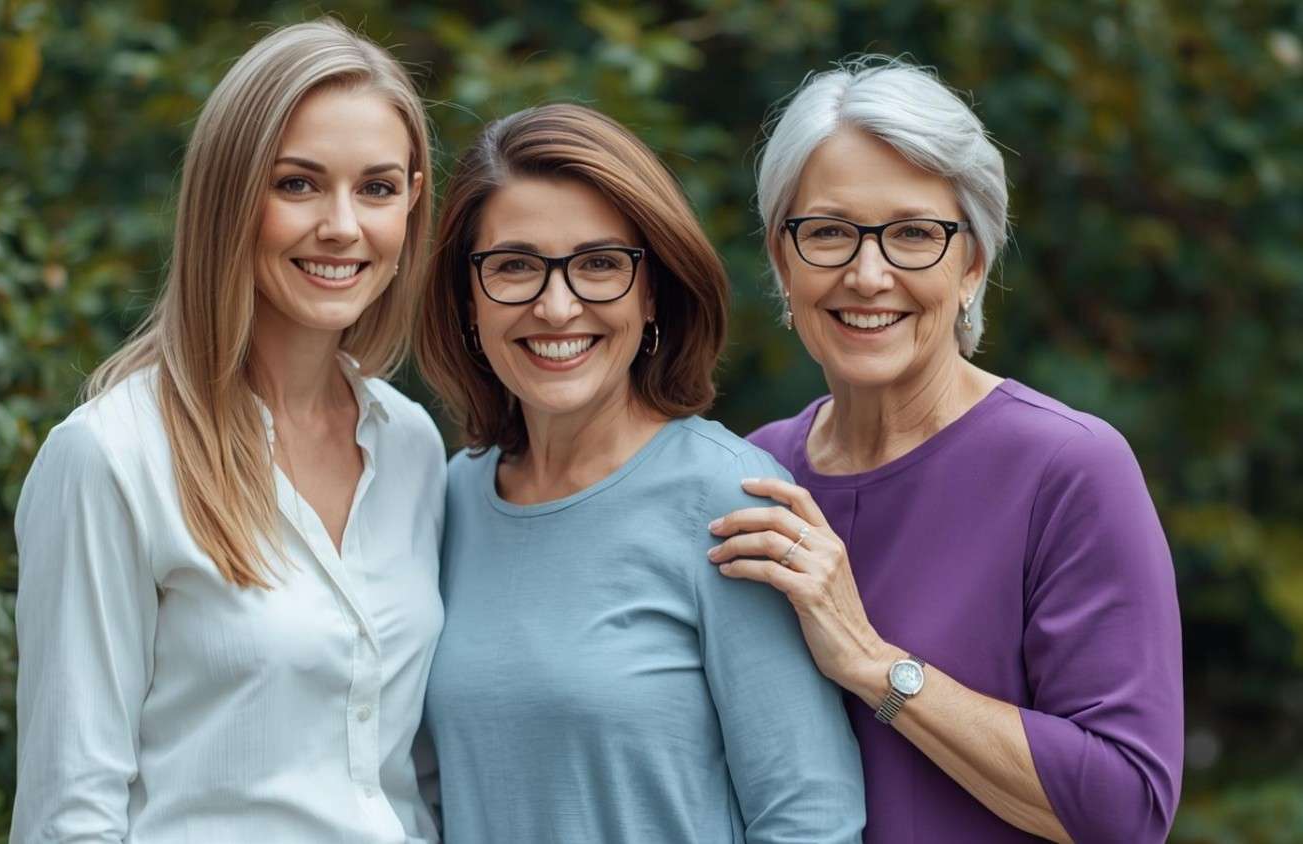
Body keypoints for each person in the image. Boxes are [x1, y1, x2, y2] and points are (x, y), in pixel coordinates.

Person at [706, 58, 1183, 843]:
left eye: (914, 235)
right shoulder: (752, 474)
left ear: (972, 265)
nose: (868, 274)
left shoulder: (1068, 470)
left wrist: (869, 661)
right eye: (828, 232)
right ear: (781, 261)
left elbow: (1125, 809)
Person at [11, 20, 445, 843]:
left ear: (413, 201)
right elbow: (70, 811)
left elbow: (410, 777)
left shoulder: (413, 445)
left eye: (378, 188)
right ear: (228, 196)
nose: (343, 226)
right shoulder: (111, 456)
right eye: (298, 184)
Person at [414, 103, 866, 844]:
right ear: (467, 299)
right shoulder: (448, 498)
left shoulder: (730, 498)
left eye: (598, 264)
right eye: (515, 266)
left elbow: (811, 819)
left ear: (651, 290)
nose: (557, 306)